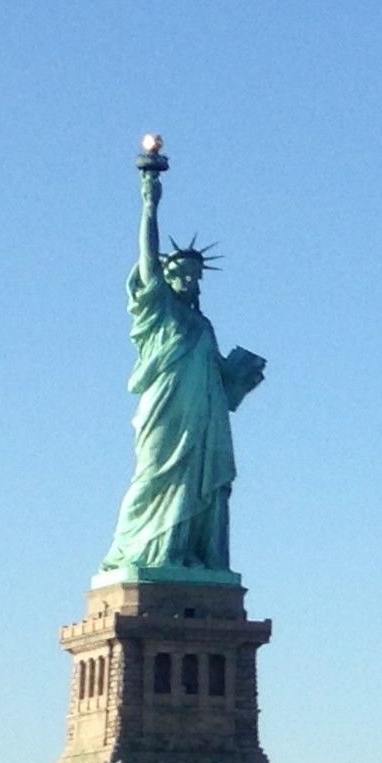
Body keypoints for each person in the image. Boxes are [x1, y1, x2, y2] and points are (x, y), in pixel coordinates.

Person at [100, 161, 265, 576]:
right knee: (153, 476)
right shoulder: (159, 310)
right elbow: (147, 261)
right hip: (167, 410)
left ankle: (190, 556)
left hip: (206, 417)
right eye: (182, 275)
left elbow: (222, 386)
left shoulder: (203, 325)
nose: (190, 282)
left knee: (202, 487)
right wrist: (150, 205)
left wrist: (239, 376)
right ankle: (142, 552)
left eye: (195, 277)